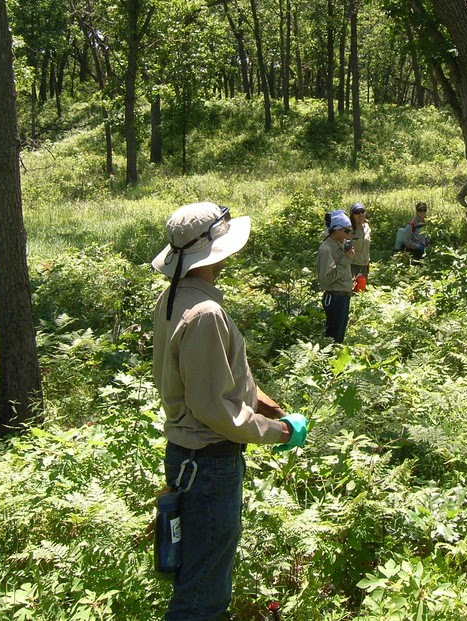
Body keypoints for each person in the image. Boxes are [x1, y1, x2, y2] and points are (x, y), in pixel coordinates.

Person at [151, 201, 309, 621]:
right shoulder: (205, 313)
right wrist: (276, 432)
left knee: (198, 575)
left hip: (188, 460)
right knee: (203, 595)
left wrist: (265, 403)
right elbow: (213, 408)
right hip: (209, 466)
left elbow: (213, 378)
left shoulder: (175, 299)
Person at [318, 209, 355, 342]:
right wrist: (346, 259)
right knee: (333, 339)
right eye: (346, 231)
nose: (348, 234)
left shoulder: (339, 244)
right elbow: (326, 278)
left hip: (343, 296)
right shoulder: (326, 249)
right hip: (334, 299)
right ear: (337, 229)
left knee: (339, 337)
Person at [349, 202, 371, 291]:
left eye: (362, 211)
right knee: (353, 290)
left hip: (365, 264)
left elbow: (366, 246)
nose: (361, 214)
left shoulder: (367, 227)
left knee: (362, 290)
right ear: (353, 215)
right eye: (357, 212)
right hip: (353, 265)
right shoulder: (349, 230)